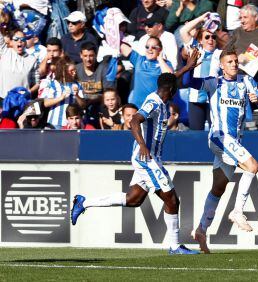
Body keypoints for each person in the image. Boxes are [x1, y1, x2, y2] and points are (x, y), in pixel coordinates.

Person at [70, 73, 199, 255]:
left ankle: (83, 203)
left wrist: (188, 67)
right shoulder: (153, 102)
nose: (176, 91)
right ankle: (175, 245)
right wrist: (142, 145)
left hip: (151, 157)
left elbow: (169, 78)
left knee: (134, 199)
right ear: (171, 90)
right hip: (147, 158)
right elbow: (134, 120)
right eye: (175, 88)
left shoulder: (163, 96)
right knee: (172, 199)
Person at [177, 49, 258, 253]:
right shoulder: (213, 82)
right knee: (252, 166)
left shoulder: (246, 82)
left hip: (233, 142)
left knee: (218, 188)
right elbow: (188, 83)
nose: (234, 64)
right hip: (219, 137)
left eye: (236, 61)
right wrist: (189, 67)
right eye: (230, 62)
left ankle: (201, 230)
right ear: (221, 65)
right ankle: (237, 211)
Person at [180, 13, 222, 130]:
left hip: (213, 99)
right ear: (200, 40)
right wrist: (202, 18)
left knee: (216, 135)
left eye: (213, 37)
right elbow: (184, 31)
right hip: (196, 98)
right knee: (196, 135)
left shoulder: (220, 54)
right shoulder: (195, 50)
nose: (211, 40)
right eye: (207, 37)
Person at [121, 36, 173, 108]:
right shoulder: (139, 59)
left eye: (154, 47)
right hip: (136, 107)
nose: (150, 49)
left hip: (154, 107)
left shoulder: (165, 64)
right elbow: (121, 46)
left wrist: (160, 59)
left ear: (160, 50)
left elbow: (170, 77)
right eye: (147, 47)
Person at [76, 41, 116, 127]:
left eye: (91, 56)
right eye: (85, 56)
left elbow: (108, 94)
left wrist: (91, 101)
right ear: (81, 55)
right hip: (81, 104)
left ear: (96, 55)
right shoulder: (76, 70)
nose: (88, 59)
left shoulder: (104, 68)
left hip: (100, 105)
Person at [40, 56, 86, 129]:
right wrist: (61, 97)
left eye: (75, 70)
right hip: (55, 123)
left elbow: (83, 105)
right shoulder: (53, 84)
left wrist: (77, 95)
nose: (74, 73)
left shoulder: (77, 85)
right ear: (64, 71)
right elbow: (45, 103)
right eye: (71, 71)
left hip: (72, 125)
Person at [0, 28, 40, 100]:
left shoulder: (32, 59)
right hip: (3, 99)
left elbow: (37, 83)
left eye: (22, 39)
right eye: (16, 39)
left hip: (21, 101)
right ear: (11, 42)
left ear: (25, 42)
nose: (20, 41)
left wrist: (28, 92)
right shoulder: (5, 52)